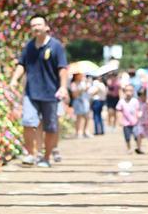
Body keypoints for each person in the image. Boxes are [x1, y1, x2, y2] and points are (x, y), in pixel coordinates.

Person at [8, 14, 68, 168]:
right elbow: (22, 64)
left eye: (39, 24)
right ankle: (30, 154)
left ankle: (46, 157)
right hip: (31, 92)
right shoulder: (29, 47)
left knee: (50, 127)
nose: (36, 28)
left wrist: (62, 87)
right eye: (33, 25)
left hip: (51, 93)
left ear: (46, 27)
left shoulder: (56, 46)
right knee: (28, 121)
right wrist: (15, 79)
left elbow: (62, 69)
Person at [115, 84, 140, 153]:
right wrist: (119, 120)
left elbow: (138, 110)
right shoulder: (121, 101)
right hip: (126, 123)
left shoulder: (135, 101)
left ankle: (138, 147)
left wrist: (138, 117)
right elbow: (119, 111)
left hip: (135, 122)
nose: (128, 92)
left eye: (130, 90)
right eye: (127, 90)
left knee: (137, 136)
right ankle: (129, 148)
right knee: (127, 137)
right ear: (124, 91)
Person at [69, 72, 92, 138]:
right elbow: (74, 95)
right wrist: (82, 90)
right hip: (78, 102)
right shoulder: (73, 84)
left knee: (87, 117)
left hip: (85, 101)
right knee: (78, 117)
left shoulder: (84, 83)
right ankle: (78, 132)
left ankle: (86, 131)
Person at [135, 88, 148, 153]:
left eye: (143, 95)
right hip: (141, 121)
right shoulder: (138, 102)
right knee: (139, 133)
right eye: (140, 95)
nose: (142, 97)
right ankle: (139, 148)